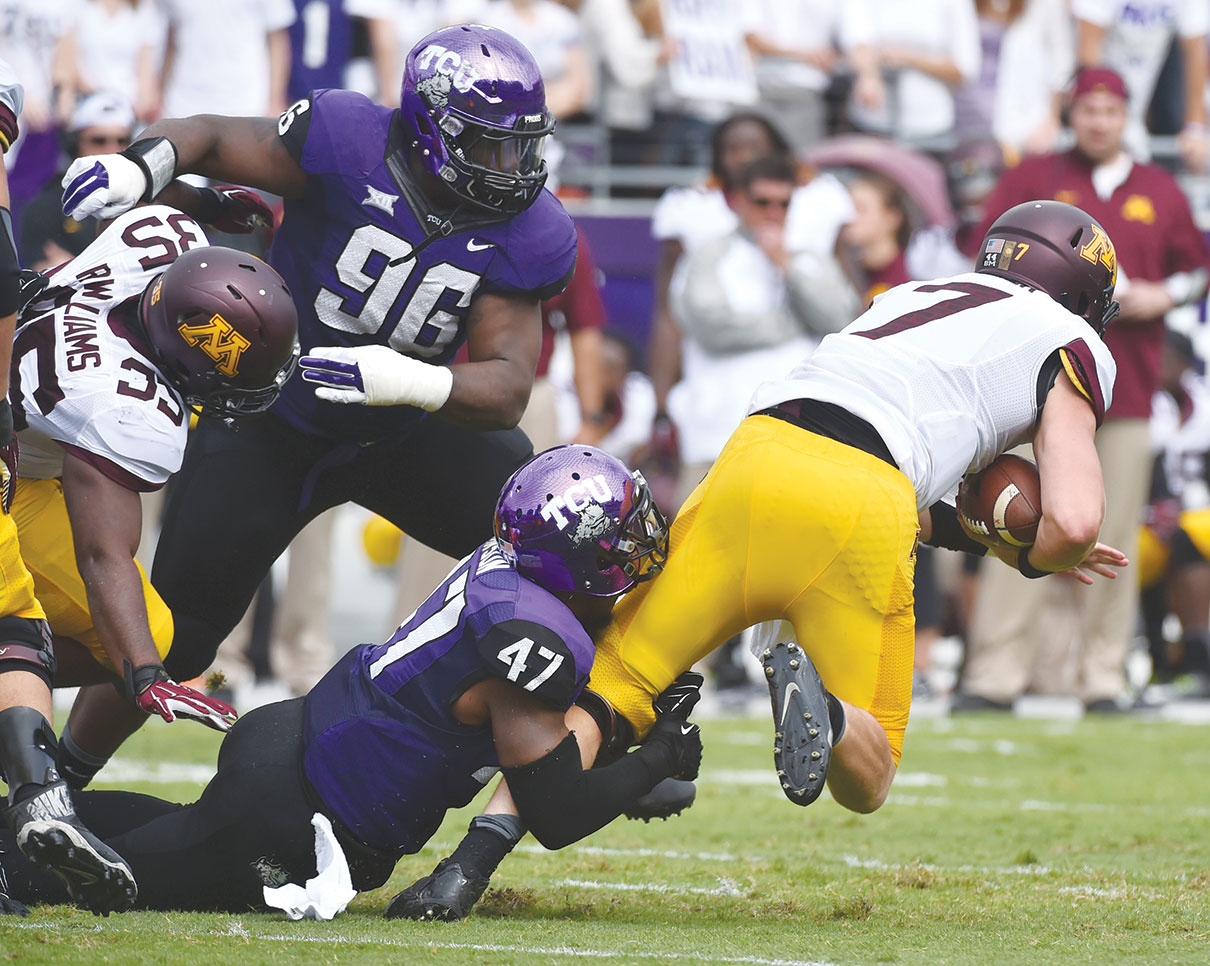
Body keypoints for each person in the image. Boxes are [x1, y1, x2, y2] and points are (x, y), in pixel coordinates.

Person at [397, 198, 1130, 920]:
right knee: (865, 779)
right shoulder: (1068, 337)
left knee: (614, 688)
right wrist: (1038, 552)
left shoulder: (915, 295)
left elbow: (876, 438)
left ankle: (465, 869)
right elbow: (1070, 519)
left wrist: (974, 528)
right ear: (1081, 293)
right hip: (860, 501)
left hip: (752, 457)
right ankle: (830, 714)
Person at [52, 25, 579, 787]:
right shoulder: (348, 136)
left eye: (520, 145)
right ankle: (59, 779)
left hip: (401, 430)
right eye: (490, 146)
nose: (512, 168)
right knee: (181, 634)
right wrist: (139, 169)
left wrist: (407, 379)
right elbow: (204, 135)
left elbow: (506, 387)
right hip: (272, 420)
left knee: (554, 539)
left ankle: (605, 732)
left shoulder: (530, 230)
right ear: (433, 129)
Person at [0, 445, 703, 915]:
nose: (639, 547)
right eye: (623, 537)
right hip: (299, 815)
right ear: (575, 554)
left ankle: (39, 819)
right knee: (114, 879)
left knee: (181, 832)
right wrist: (657, 759)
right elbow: (556, 811)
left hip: (295, 739)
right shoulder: (531, 640)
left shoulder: (510, 565)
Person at [1, 194, 299, 917]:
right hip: (22, 469)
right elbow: (104, 553)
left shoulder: (159, 242)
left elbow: (163, 207)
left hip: (27, 468)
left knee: (149, 628)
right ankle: (39, 798)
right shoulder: (126, 406)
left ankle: (50, 779)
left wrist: (201, 201)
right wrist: (145, 676)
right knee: (23, 629)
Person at [955, 66, 1210, 713]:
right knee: (1016, 519)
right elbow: (984, 256)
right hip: (1033, 386)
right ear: (1071, 112)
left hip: (1125, 387)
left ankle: (1103, 677)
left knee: (1111, 529)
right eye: (1087, 108)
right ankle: (994, 675)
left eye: (1109, 109)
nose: (1098, 120)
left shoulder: (1158, 188)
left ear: (1126, 116)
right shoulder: (1034, 177)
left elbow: (1196, 269)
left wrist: (1164, 294)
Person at [1073, 0, 1209, 172]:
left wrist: (1195, 126)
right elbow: (1089, 56)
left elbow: (1196, 48)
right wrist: (1102, 114)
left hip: (1137, 112)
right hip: (1098, 101)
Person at [19, 91, 136, 271]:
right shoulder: (45, 206)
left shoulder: (150, 199)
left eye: (122, 140)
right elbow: (44, 278)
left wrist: (76, 266)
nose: (112, 150)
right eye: (99, 140)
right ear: (73, 143)